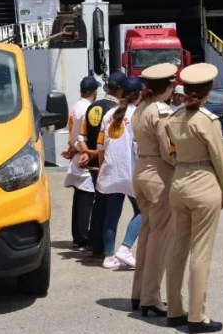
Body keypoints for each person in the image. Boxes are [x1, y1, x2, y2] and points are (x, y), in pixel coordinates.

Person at [165, 63, 223, 333]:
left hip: (179, 180)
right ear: (208, 90)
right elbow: (221, 160)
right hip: (204, 182)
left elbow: (170, 152)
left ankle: (174, 310)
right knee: (200, 253)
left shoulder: (173, 118)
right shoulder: (207, 120)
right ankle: (197, 315)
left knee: (177, 249)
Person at [130, 63, 177, 316]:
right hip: (158, 174)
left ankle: (139, 293)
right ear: (167, 87)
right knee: (160, 238)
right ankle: (150, 297)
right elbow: (169, 149)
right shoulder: (161, 110)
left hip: (141, 170)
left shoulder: (140, 108)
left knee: (148, 234)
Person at [77, 71, 127, 258]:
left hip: (92, 163)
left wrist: (86, 152)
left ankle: (93, 243)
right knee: (108, 207)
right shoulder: (116, 110)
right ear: (121, 89)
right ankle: (102, 246)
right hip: (107, 162)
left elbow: (81, 136)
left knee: (99, 203)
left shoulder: (92, 106)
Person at [96, 76, 144, 269]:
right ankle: (125, 248)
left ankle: (108, 257)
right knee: (144, 210)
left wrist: (101, 171)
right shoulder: (137, 115)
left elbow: (100, 147)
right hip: (130, 170)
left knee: (112, 214)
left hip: (110, 169)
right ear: (139, 95)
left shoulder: (109, 114)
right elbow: (138, 147)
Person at [62, 76, 99, 250]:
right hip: (84, 154)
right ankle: (83, 238)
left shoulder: (75, 107)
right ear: (95, 92)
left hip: (76, 153)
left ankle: (77, 236)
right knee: (86, 198)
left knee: (79, 198)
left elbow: (73, 134)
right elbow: (83, 136)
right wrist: (77, 149)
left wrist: (71, 149)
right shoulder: (88, 109)